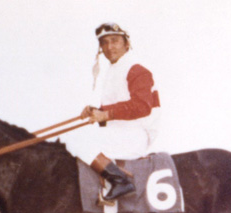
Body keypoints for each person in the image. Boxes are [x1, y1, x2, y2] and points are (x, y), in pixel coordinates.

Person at [67, 23, 161, 202]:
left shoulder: (137, 69)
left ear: (127, 44)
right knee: (77, 135)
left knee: (77, 140)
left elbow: (142, 106)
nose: (109, 47)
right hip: (122, 132)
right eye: (104, 43)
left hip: (136, 135)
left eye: (115, 41)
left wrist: (106, 114)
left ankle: (121, 181)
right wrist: (97, 111)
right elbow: (118, 110)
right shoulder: (114, 70)